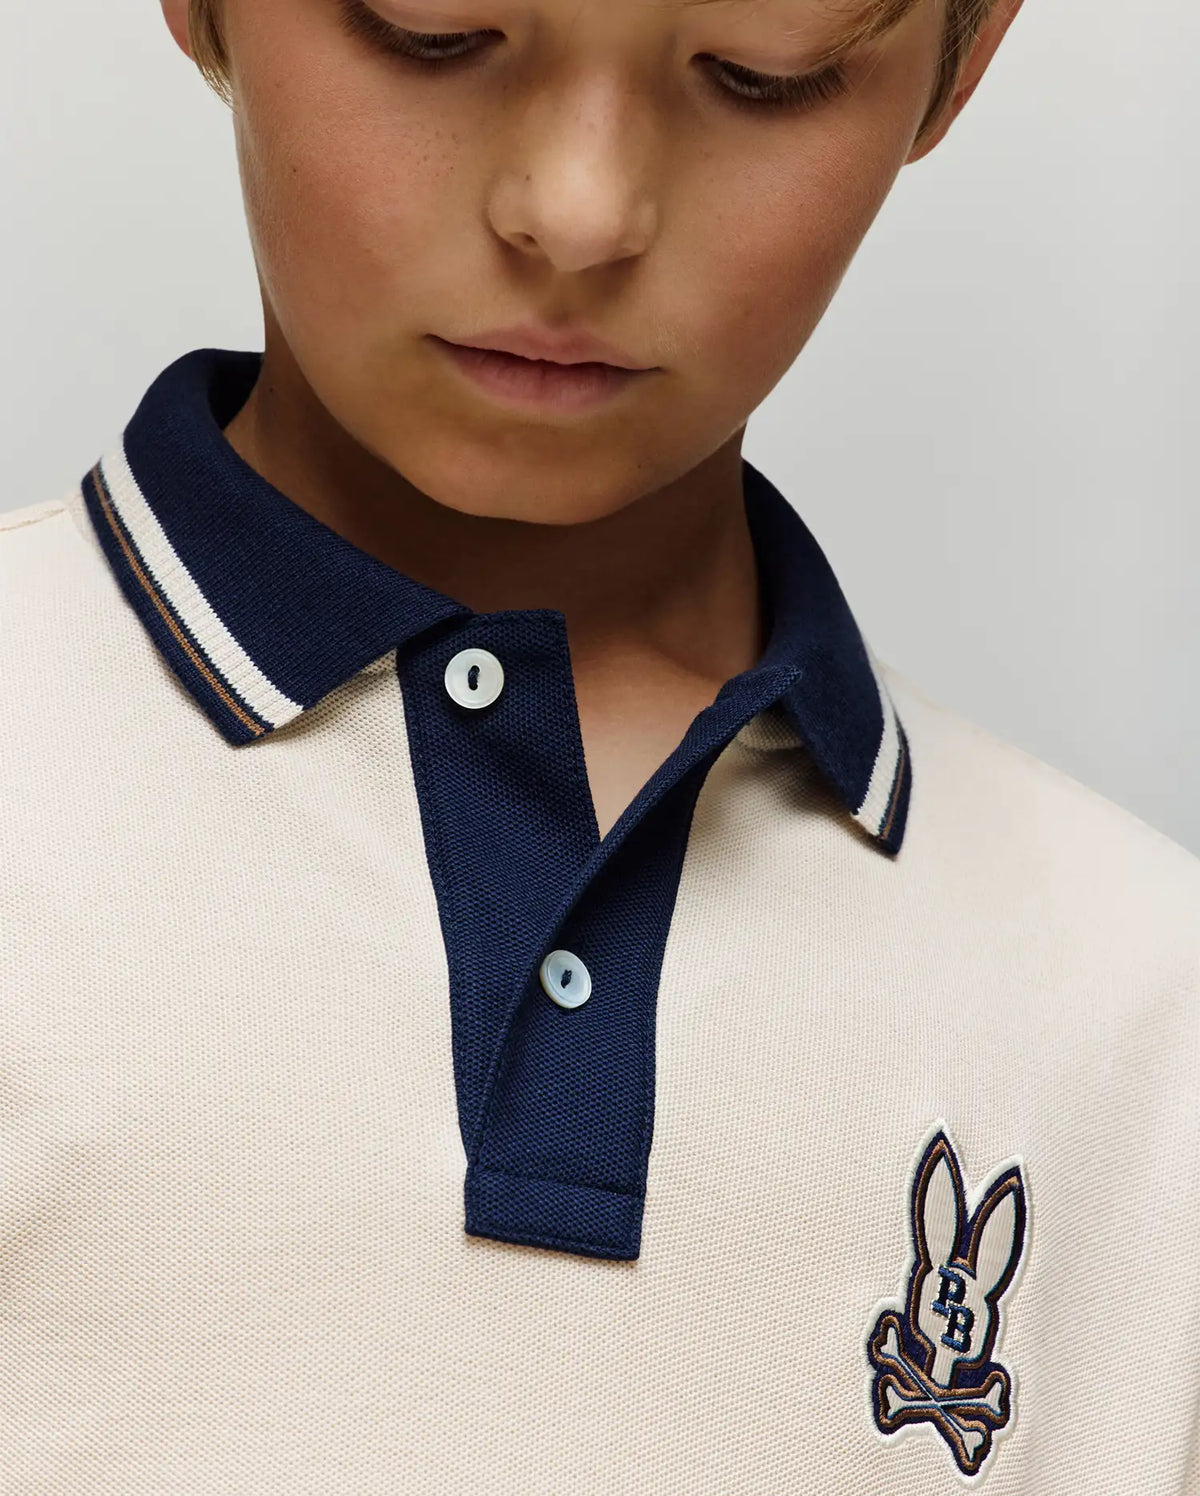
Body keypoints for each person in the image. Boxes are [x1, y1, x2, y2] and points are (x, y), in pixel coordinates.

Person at [3, 0, 1197, 1489]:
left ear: (964, 58)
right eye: (428, 29)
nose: (578, 214)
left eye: (766, 75)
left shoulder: (1150, 1014)